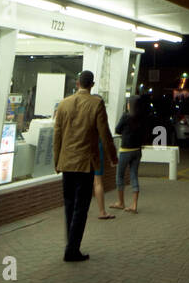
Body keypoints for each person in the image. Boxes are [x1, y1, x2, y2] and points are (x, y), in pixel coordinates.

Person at [53, 70, 117, 262]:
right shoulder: (96, 103)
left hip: (67, 163)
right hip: (86, 164)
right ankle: (72, 250)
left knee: (69, 206)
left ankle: (70, 245)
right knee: (81, 208)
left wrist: (57, 161)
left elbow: (57, 136)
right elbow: (104, 134)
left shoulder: (63, 104)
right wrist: (113, 157)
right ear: (92, 84)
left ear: (77, 83)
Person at [111, 94, 151, 212]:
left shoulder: (126, 116)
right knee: (134, 174)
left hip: (125, 150)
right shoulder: (143, 117)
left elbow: (117, 130)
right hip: (137, 150)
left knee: (120, 176)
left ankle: (121, 202)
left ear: (129, 105)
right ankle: (134, 204)